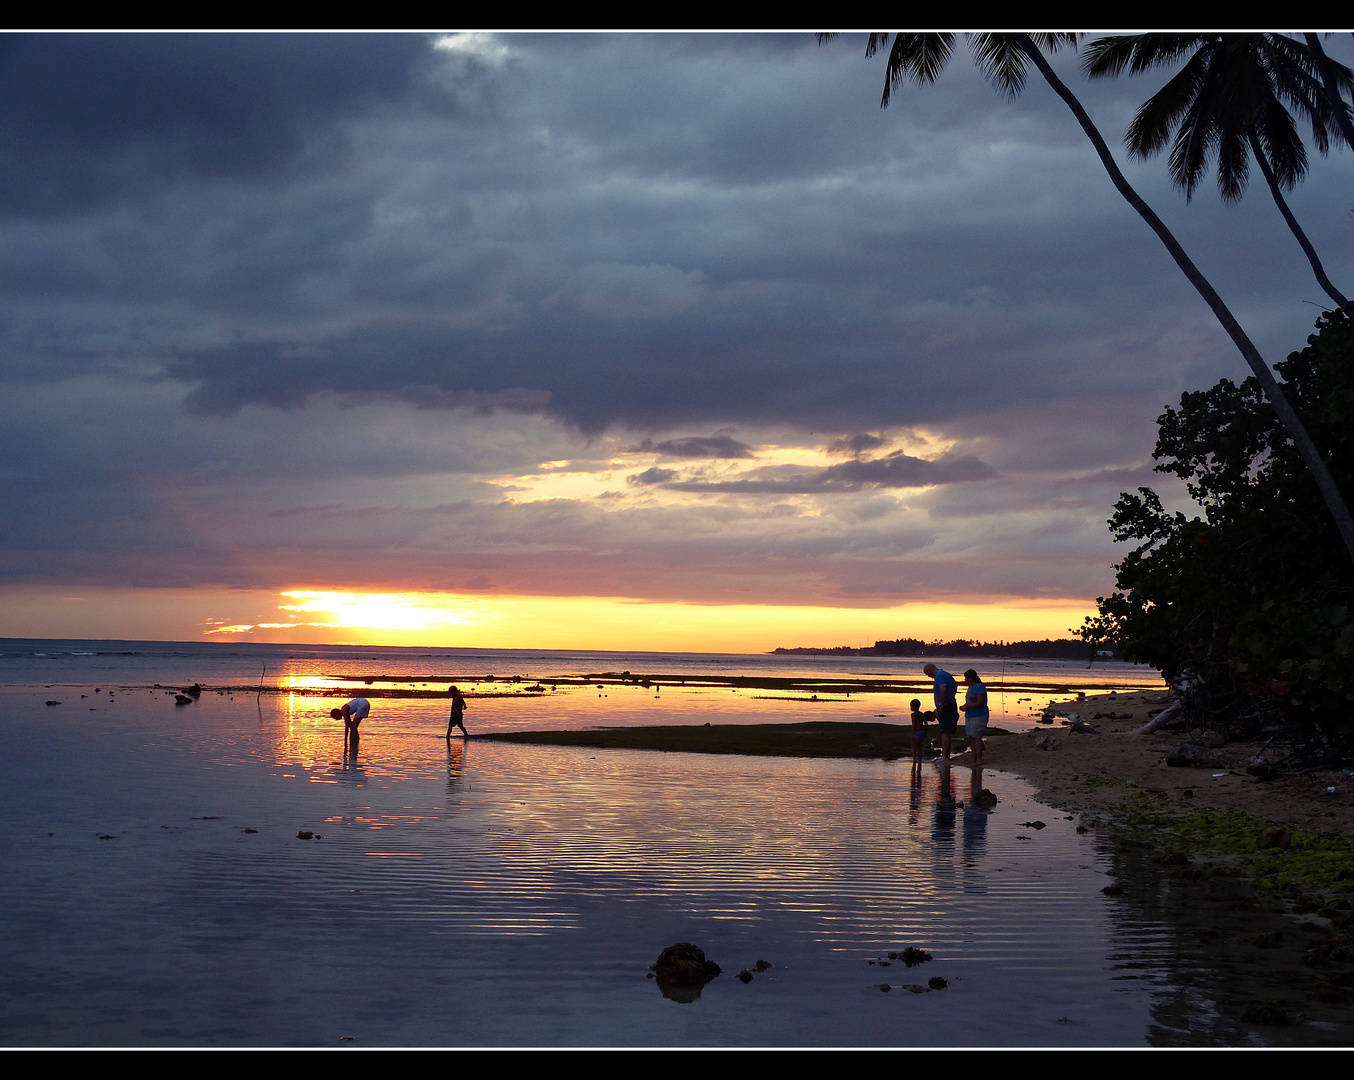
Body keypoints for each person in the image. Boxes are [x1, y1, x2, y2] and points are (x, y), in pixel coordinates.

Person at [923, 663, 959, 761]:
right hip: (951, 704)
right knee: (947, 732)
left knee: (945, 733)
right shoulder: (946, 674)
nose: (929, 677)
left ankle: (945, 756)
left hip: (946, 707)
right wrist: (952, 696)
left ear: (930, 670)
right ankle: (946, 755)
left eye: (928, 674)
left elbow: (943, 688)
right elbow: (956, 684)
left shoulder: (939, 676)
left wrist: (942, 704)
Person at [961, 669, 990, 767]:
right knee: (971, 737)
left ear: (971, 678)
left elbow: (980, 702)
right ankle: (974, 757)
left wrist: (967, 707)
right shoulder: (970, 687)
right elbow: (969, 701)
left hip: (979, 715)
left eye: (966, 678)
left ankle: (979, 759)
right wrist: (965, 706)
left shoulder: (979, 687)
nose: (965, 680)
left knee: (976, 737)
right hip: (970, 714)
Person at [908, 698, 929, 762]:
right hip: (922, 732)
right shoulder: (922, 714)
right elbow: (926, 724)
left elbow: (914, 724)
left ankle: (914, 758)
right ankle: (920, 759)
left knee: (913, 746)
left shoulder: (913, 715)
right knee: (919, 746)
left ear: (913, 707)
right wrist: (925, 731)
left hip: (916, 731)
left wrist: (912, 733)